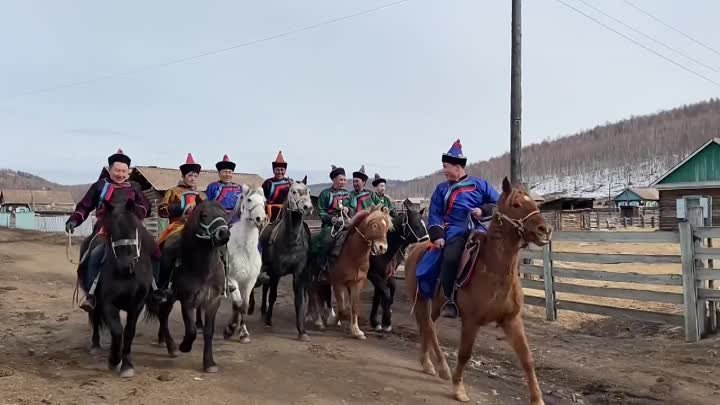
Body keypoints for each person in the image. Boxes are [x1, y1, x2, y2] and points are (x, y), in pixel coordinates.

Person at [65, 148, 166, 312]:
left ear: (129, 172)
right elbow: (85, 206)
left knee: (155, 251)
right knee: (94, 253)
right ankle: (91, 294)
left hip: (133, 227)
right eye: (117, 170)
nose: (120, 174)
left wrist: (135, 213)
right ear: (110, 169)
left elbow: (145, 206)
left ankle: (154, 289)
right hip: (106, 228)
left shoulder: (134, 187)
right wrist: (74, 220)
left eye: (124, 171)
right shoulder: (100, 186)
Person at [427, 139, 500, 319]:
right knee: (451, 258)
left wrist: (482, 210)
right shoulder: (441, 189)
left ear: (457, 166)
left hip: (480, 228)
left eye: (446, 166)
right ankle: (450, 300)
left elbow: (498, 203)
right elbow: (434, 213)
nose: (443, 170)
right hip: (454, 230)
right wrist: (437, 235)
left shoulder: (480, 184)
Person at [157, 153, 207, 294]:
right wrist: (179, 209)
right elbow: (162, 209)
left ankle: (218, 280)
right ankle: (163, 285)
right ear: (183, 177)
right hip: (178, 225)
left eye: (195, 176)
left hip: (198, 227)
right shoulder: (172, 191)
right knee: (168, 246)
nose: (193, 178)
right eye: (190, 175)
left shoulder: (201, 195)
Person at [312, 165, 350, 274]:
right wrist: (330, 219)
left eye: (344, 180)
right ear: (334, 180)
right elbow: (321, 211)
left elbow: (352, 208)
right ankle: (322, 266)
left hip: (346, 222)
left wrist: (348, 209)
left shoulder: (347, 194)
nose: (343, 182)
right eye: (340, 180)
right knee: (326, 241)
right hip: (331, 225)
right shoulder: (325, 193)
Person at [206, 154, 244, 224]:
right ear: (219, 173)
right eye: (225, 172)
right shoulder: (212, 187)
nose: (227, 175)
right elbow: (207, 205)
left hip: (236, 221)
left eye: (230, 172)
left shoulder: (239, 188)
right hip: (217, 220)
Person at [261, 150, 291, 222]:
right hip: (270, 213)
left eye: (282, 170)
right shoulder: (267, 183)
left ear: (285, 171)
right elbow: (262, 198)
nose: (280, 172)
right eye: (277, 170)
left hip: (286, 213)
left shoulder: (290, 183)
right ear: (273, 170)